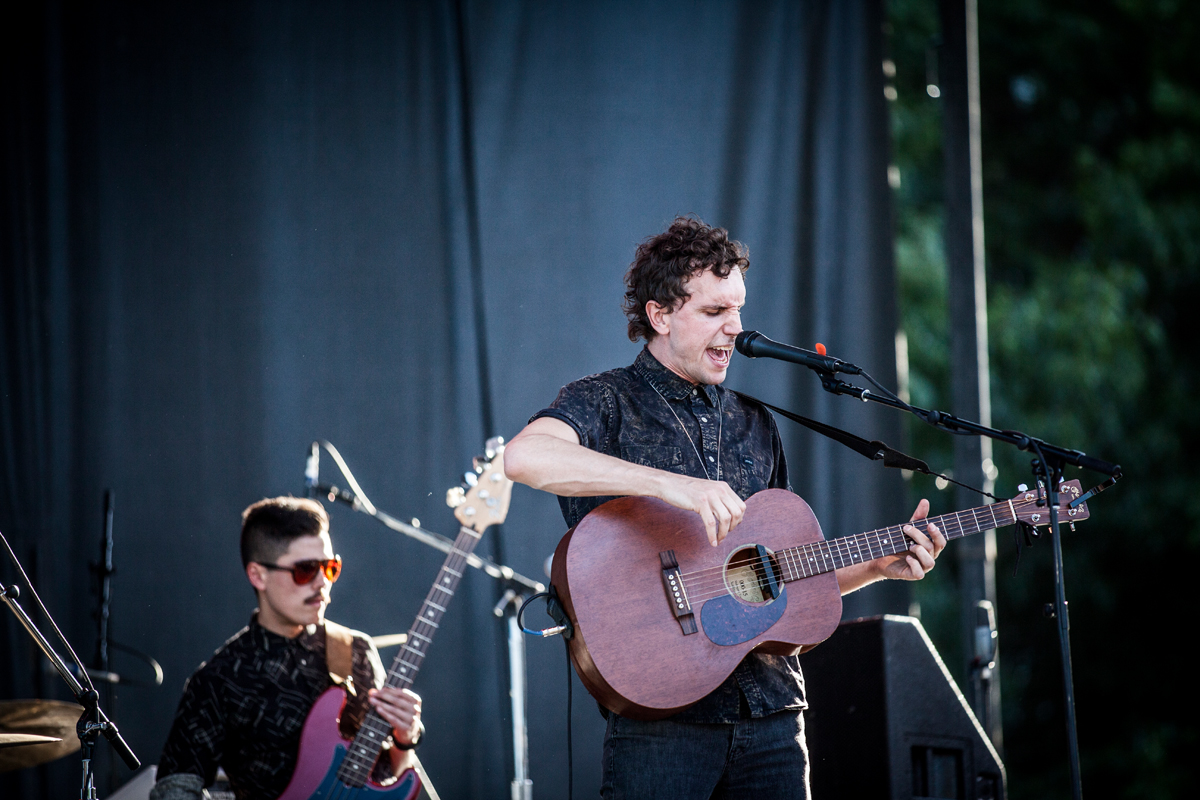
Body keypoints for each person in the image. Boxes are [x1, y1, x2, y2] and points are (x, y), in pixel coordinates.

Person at [503, 216, 946, 799]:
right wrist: (669, 484)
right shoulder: (604, 399)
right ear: (660, 315)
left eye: (737, 310)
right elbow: (523, 457)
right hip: (661, 723)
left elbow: (776, 581)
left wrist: (876, 566)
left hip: (773, 718)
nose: (735, 329)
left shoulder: (756, 423)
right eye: (714, 313)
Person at [150, 497, 423, 800]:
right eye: (305, 570)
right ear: (257, 575)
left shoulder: (356, 650)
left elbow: (391, 776)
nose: (322, 583)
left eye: (330, 568)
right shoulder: (218, 680)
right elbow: (174, 791)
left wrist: (404, 737)